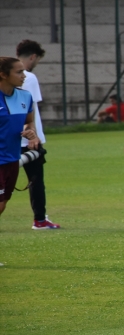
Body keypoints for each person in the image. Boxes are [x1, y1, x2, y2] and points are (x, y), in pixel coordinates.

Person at [16, 39, 60, 230]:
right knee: (35, 181)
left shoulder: (6, 80)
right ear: (33, 57)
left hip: (10, 138)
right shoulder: (28, 78)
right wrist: (33, 135)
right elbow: (30, 108)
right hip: (28, 140)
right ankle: (40, 220)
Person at [0, 57, 39, 218]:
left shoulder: (25, 97)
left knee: (3, 203)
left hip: (12, 159)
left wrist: (31, 132)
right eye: (19, 72)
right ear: (3, 74)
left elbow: (29, 122)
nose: (24, 75)